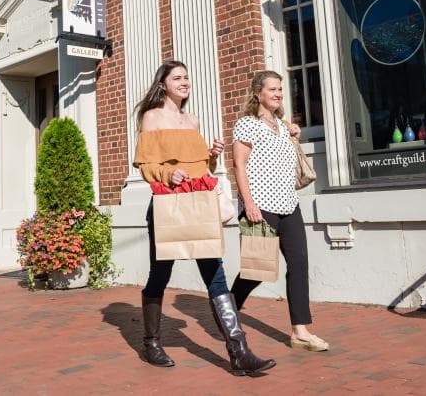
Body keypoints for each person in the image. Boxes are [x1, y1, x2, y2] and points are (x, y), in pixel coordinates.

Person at [133, 60, 276, 376]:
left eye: (187, 77)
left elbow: (202, 170)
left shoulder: (192, 120)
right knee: (160, 274)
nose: (185, 82)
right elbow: (145, 166)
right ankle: (151, 342)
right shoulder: (152, 117)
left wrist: (212, 156)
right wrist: (169, 173)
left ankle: (239, 351)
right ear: (163, 84)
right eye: (178, 77)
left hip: (198, 203)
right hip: (169, 206)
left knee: (216, 275)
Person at [229, 70, 329, 352]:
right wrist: (248, 203)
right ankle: (228, 307)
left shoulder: (283, 126)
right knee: (257, 269)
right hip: (260, 205)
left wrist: (293, 130)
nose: (277, 94)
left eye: (280, 90)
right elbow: (239, 165)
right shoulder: (246, 125)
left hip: (288, 204)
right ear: (257, 93)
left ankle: (300, 331)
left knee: (298, 264)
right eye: (272, 89)